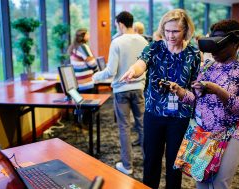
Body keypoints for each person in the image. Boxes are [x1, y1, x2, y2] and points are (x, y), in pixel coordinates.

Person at [169, 19, 239, 189]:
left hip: (230, 133)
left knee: (219, 184)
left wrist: (217, 90)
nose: (213, 52)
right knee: (201, 181)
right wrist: (181, 92)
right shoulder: (208, 66)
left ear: (235, 42)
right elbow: (196, 100)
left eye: (218, 46)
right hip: (202, 133)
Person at [120, 9, 201, 188]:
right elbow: (141, 63)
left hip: (180, 117)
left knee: (174, 163)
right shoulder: (155, 48)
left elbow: (196, 85)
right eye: (167, 31)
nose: (171, 36)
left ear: (185, 30)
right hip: (154, 113)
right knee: (151, 160)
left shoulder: (193, 54)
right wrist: (133, 71)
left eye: (176, 31)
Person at [92, 11, 148, 175]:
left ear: (120, 24)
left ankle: (127, 166)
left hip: (121, 90)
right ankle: (148, 162)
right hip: (139, 88)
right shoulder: (143, 40)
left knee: (124, 127)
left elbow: (111, 71)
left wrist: (96, 76)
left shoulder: (116, 42)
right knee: (142, 126)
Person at [68, 28, 98, 93]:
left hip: (79, 83)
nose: (89, 35)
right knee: (94, 102)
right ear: (83, 36)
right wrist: (97, 70)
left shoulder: (74, 47)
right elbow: (92, 64)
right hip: (87, 83)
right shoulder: (83, 47)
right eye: (87, 34)